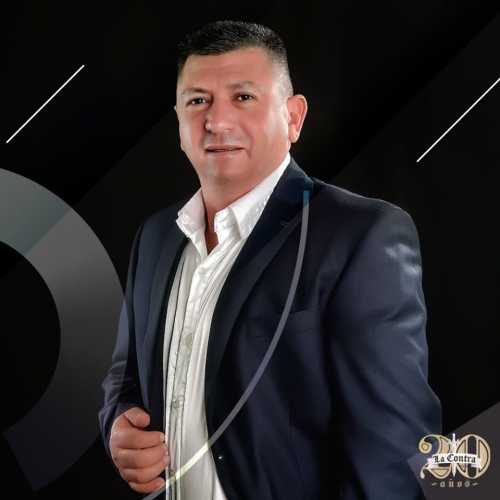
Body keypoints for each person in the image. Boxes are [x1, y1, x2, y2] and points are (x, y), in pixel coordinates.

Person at [98, 20, 441, 499]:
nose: (216, 121)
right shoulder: (155, 238)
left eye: (243, 97)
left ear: (293, 117)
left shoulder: (359, 235)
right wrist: (118, 425)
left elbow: (394, 454)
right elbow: (125, 376)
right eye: (197, 101)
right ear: (178, 121)